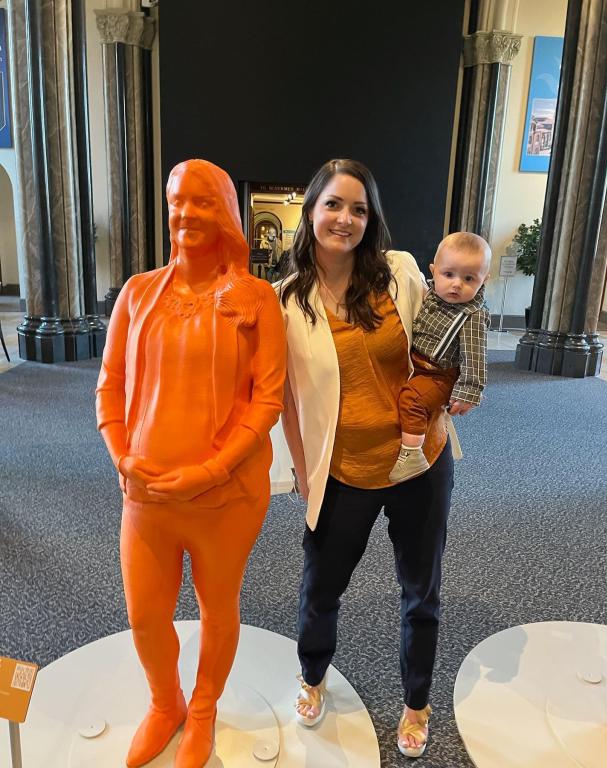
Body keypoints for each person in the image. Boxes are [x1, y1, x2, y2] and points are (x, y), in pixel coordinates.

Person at [96, 159, 286, 768]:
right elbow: (110, 383)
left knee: (216, 606)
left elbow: (268, 400)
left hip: (225, 496)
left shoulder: (256, 299)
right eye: (177, 201)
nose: (185, 214)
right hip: (146, 492)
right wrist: (120, 454)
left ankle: (202, 711)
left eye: (201, 202)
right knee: (145, 614)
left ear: (226, 213)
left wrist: (211, 470)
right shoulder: (138, 292)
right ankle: (165, 703)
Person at [276, 158, 457, 759]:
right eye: (334, 204)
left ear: (371, 218)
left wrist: (463, 384)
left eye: (359, 208)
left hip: (418, 464)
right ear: (310, 210)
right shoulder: (287, 300)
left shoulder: (400, 274)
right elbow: (285, 397)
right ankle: (312, 676)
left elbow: (448, 334)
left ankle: (417, 701)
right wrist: (302, 467)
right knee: (321, 588)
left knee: (420, 591)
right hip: (343, 471)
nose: (345, 219)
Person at [389, 232, 491, 483]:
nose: (457, 284)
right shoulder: (431, 295)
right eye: (449, 275)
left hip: (440, 374)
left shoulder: (472, 315)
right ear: (434, 271)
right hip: (419, 363)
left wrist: (468, 394)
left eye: (469, 278)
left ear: (484, 280)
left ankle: (412, 455)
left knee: (412, 400)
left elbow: (475, 358)